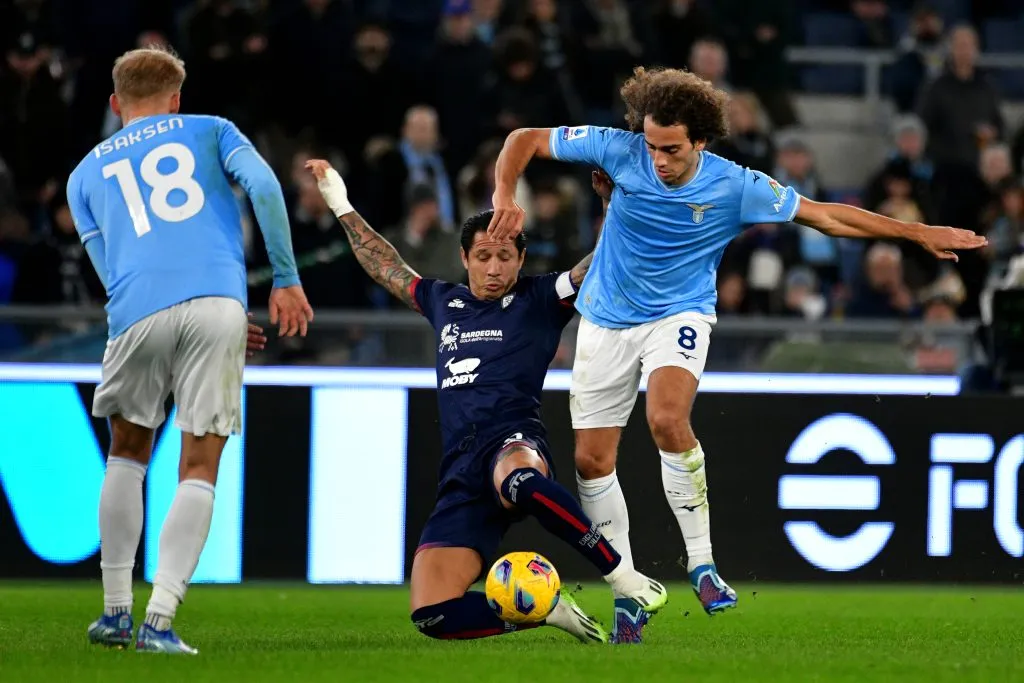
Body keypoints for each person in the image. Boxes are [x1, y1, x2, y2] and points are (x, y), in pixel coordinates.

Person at [487, 66, 988, 638]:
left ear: (701, 141)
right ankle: (627, 590)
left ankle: (702, 564)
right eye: (652, 146)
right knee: (591, 463)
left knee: (667, 418)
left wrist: (916, 232)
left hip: (679, 313)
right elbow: (522, 140)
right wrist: (505, 194)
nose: (658, 160)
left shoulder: (737, 186)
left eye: (672, 150)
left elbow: (825, 216)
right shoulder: (619, 148)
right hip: (604, 316)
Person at [306, 158, 667, 645]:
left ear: (520, 260)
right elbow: (387, 266)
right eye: (483, 256)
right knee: (433, 615)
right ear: (465, 258)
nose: (493, 267)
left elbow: (600, 263)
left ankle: (624, 578)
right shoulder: (443, 301)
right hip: (461, 470)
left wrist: (610, 204)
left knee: (521, 481)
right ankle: (548, 612)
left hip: (513, 441)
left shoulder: (541, 298)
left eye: (504, 256)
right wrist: (339, 203)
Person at [67, 45, 313, 654]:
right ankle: (160, 621)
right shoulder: (212, 129)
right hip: (217, 304)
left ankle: (115, 613)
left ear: (115, 103)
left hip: (134, 310)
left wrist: (143, 310)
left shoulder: (83, 174)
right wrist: (283, 278)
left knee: (127, 453)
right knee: (198, 464)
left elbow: (106, 267)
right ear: (176, 100)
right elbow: (264, 185)